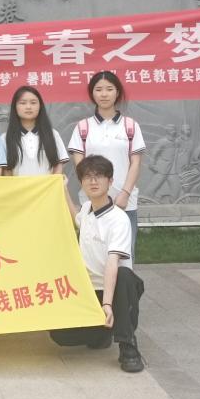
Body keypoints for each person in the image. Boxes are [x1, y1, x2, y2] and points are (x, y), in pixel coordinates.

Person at [49, 155, 145, 373]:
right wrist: (62, 189)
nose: (93, 181)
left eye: (99, 176)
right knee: (59, 335)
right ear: (82, 182)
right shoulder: (87, 210)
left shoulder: (118, 219)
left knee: (124, 276)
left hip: (116, 290)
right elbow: (77, 218)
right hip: (89, 290)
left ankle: (128, 347)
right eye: (87, 177)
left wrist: (107, 304)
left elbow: (112, 263)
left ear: (110, 181)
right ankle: (101, 334)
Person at [68, 70, 146, 258]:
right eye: (99, 89)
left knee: (124, 255)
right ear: (92, 93)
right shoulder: (83, 127)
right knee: (92, 254)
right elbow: (80, 166)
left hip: (124, 202)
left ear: (117, 92)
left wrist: (125, 194)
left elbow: (135, 163)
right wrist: (91, 192)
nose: (104, 94)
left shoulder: (130, 126)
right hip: (92, 201)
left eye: (109, 89)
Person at [2, 85, 68, 176]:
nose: (28, 107)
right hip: (18, 185)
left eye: (33, 103)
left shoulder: (52, 134)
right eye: (23, 103)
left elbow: (58, 165)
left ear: (40, 106)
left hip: (47, 185)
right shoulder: (5, 137)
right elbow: (6, 170)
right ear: (15, 107)